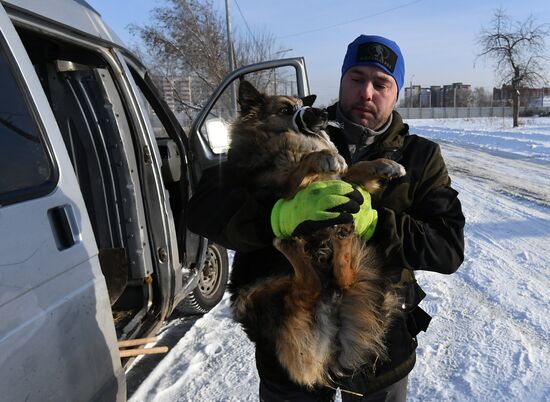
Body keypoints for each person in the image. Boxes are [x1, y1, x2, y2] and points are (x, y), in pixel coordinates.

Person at [188, 34, 465, 401]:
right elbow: (203, 209)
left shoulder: (420, 157)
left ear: (396, 92)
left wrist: (377, 223)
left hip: (376, 345)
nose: (366, 92)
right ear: (341, 81)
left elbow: (447, 248)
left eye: (381, 83)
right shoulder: (286, 129)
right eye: (357, 78)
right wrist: (275, 218)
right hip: (290, 339)